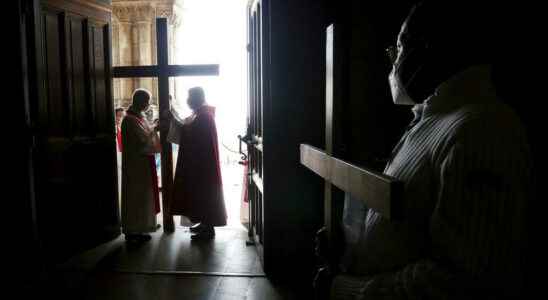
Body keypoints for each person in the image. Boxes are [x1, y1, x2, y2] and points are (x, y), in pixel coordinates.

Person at [328, 2, 532, 299]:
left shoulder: (481, 131)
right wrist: (349, 248)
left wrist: (345, 290)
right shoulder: (435, 119)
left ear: (424, 49)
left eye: (397, 50)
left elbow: (460, 283)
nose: (394, 63)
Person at [171, 87, 227, 240]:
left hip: (203, 166)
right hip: (201, 164)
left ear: (197, 98)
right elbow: (188, 129)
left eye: (189, 97)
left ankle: (208, 228)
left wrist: (173, 119)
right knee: (201, 195)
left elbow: (189, 133)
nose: (188, 100)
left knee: (205, 195)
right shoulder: (201, 113)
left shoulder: (204, 116)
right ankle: (204, 223)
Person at [121, 89, 162, 243]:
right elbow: (143, 140)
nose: (148, 105)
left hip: (142, 164)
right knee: (135, 198)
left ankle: (142, 227)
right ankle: (132, 231)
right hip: (135, 165)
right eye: (147, 101)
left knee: (143, 197)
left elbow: (146, 132)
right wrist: (155, 130)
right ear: (140, 101)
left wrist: (153, 128)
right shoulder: (130, 120)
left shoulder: (138, 117)